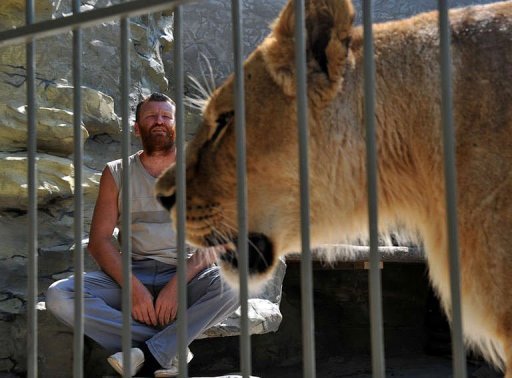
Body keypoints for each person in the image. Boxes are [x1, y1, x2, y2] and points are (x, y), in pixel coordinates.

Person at [46, 92, 239, 377]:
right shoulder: (116, 172)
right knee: (59, 296)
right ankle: (168, 349)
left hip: (188, 274)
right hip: (132, 273)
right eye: (151, 116)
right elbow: (99, 241)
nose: (159, 121)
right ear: (137, 128)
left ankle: (148, 354)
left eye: (166, 116)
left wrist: (176, 287)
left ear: (176, 125)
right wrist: (135, 290)